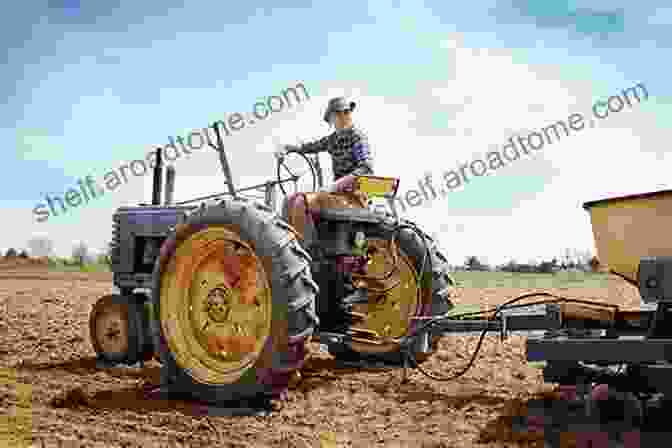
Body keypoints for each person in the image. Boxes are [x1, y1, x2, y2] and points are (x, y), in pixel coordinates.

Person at [276, 97, 374, 192]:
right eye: (338, 114)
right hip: (339, 194)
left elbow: (366, 168)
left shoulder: (358, 137)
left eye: (346, 112)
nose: (343, 116)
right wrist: (284, 149)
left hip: (359, 194)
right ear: (331, 119)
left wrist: (337, 185)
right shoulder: (331, 140)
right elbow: (304, 148)